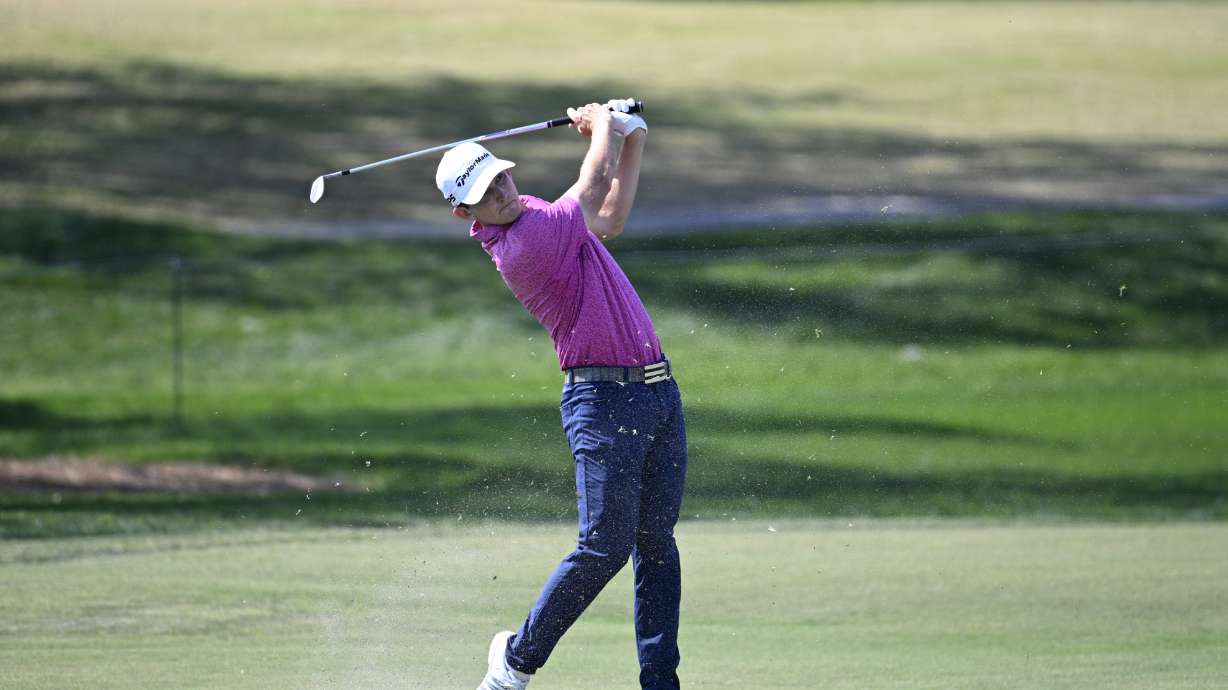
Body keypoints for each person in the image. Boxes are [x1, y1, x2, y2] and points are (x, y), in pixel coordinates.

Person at [434, 100, 687, 690]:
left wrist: (631, 139)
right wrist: (601, 127)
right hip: (603, 403)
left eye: (499, 177)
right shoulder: (526, 241)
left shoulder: (541, 217)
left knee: (656, 546)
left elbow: (609, 218)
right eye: (483, 192)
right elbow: (592, 182)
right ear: (464, 211)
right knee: (603, 547)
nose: (500, 192)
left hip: (657, 393)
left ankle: (660, 683)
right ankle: (514, 662)